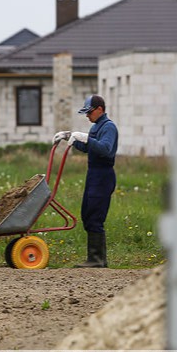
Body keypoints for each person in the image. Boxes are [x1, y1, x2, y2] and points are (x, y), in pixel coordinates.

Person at [53, 94, 118, 268]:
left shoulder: (108, 127)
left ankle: (97, 260)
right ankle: (96, 259)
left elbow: (105, 149)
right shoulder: (98, 126)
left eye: (89, 113)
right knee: (87, 215)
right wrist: (70, 137)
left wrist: (87, 138)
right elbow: (89, 147)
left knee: (96, 216)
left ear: (99, 110)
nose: (87, 116)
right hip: (93, 175)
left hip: (103, 176)